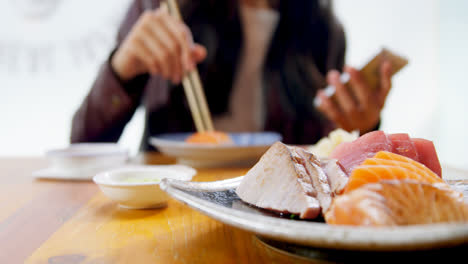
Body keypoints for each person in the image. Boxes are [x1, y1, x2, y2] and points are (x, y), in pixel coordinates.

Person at [71, 0, 392, 150]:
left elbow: (324, 152)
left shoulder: (322, 28)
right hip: (171, 198)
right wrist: (121, 68)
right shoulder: (164, 7)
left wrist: (363, 128)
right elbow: (82, 143)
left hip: (275, 212)